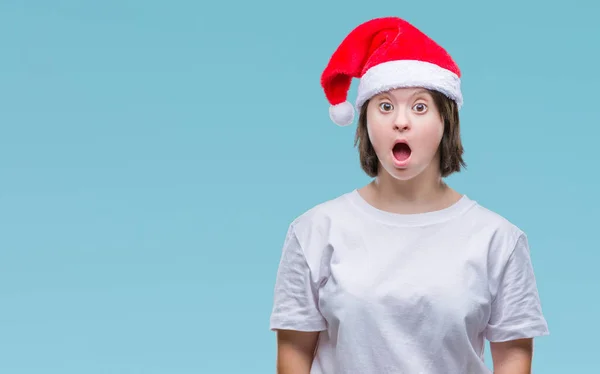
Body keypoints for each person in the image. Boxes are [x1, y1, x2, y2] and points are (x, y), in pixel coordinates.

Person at [269, 16, 549, 374]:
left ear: (445, 121)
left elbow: (513, 356)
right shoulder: (313, 231)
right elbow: (294, 351)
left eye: (419, 107)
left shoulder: (498, 240)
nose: (401, 121)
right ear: (365, 120)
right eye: (385, 106)